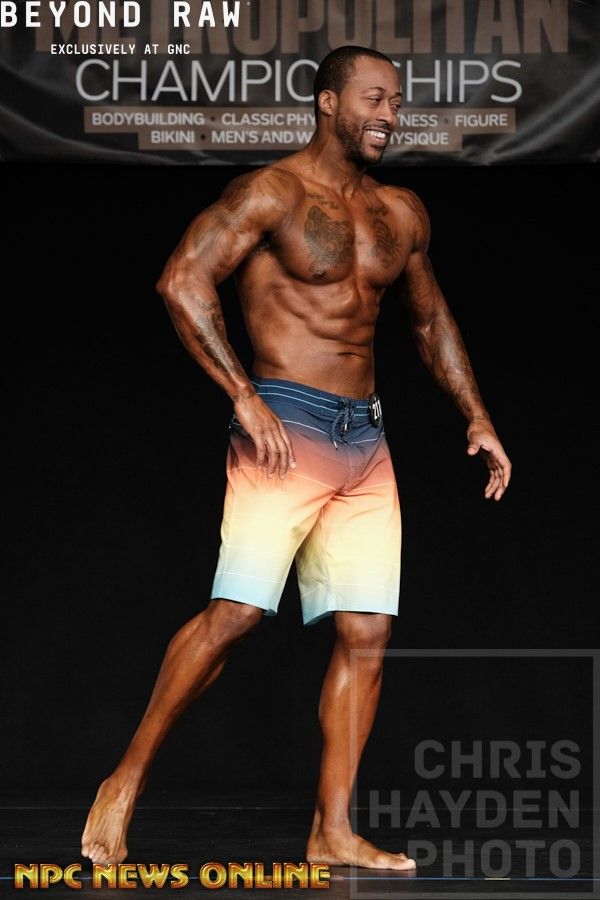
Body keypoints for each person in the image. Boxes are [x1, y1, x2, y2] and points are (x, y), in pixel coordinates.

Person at [81, 45, 511, 871]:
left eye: (397, 102)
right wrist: (244, 395)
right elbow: (182, 281)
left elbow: (429, 321)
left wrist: (478, 415)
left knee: (367, 631)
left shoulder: (401, 212)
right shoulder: (271, 192)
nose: (390, 115)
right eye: (375, 99)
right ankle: (124, 779)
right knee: (238, 613)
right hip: (286, 424)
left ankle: (332, 830)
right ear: (327, 102)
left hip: (366, 439)